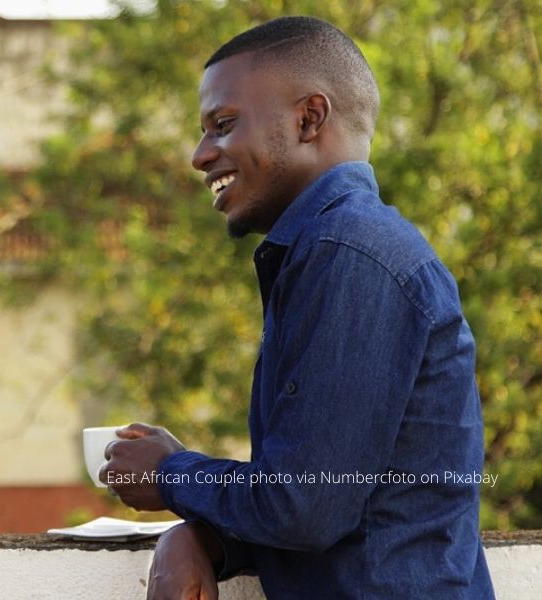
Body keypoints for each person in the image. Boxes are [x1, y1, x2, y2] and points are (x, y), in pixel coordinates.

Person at [102, 16, 495, 599]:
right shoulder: (327, 251)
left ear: (309, 119)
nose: (199, 155)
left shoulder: (351, 255)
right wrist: (206, 540)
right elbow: (354, 504)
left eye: (223, 125)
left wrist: (169, 475)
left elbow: (305, 503)